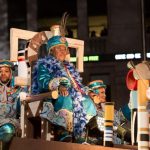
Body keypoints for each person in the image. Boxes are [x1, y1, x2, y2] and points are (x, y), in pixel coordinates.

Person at [31, 26, 97, 142]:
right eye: (59, 48)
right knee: (66, 97)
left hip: (71, 94)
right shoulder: (45, 64)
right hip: (52, 97)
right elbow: (42, 81)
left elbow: (76, 85)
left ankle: (84, 132)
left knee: (87, 101)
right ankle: (63, 131)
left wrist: (85, 91)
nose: (63, 51)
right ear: (51, 51)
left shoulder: (68, 68)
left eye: (64, 49)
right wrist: (58, 85)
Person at [86, 80, 131, 145]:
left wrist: (132, 104)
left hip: (116, 146)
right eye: (102, 92)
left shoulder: (108, 109)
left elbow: (121, 117)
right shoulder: (86, 111)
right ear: (93, 95)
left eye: (104, 93)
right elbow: (94, 125)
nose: (105, 95)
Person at [0, 60, 22, 149]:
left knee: (7, 130)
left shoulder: (18, 88)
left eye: (6, 71)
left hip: (10, 121)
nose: (3, 74)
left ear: (11, 73)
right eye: (0, 71)